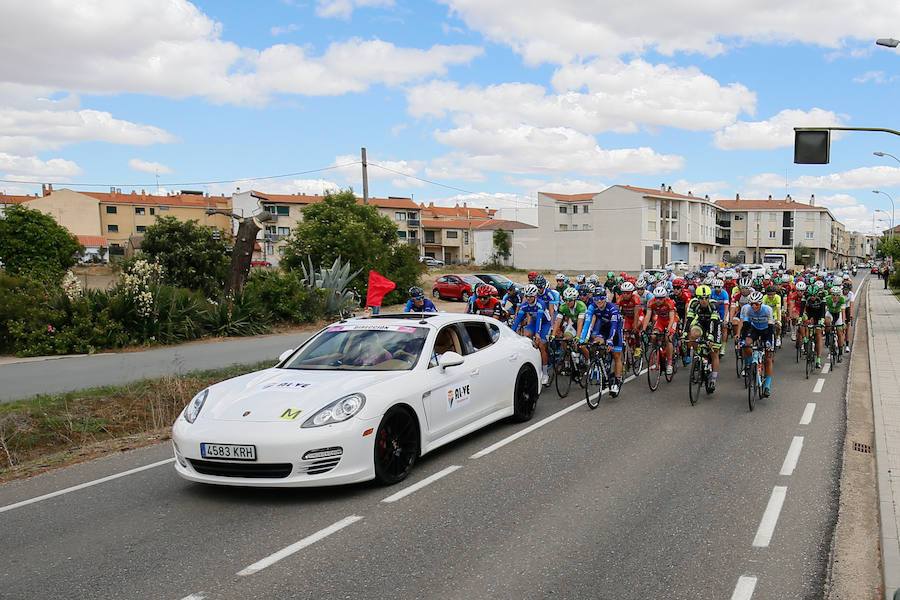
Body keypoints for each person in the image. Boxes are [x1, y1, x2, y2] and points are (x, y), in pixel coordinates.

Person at [579, 290, 625, 397]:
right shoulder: (592, 307)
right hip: (603, 327)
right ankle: (601, 364)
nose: (598, 301)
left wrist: (610, 341)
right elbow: (587, 323)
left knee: (616, 355)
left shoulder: (613, 308)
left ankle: (617, 381)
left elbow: (614, 326)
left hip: (615, 329)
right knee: (595, 342)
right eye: (596, 299)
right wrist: (582, 339)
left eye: (601, 299)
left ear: (605, 298)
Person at [511, 284, 551, 385]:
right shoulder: (524, 305)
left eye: (531, 296)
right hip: (534, 323)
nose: (528, 298)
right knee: (526, 335)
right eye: (527, 296)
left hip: (545, 323)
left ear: (535, 296)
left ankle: (545, 373)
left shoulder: (540, 304)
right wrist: (511, 332)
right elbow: (517, 321)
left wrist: (537, 334)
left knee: (541, 344)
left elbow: (540, 320)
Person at [686, 285, 721, 392]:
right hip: (701, 323)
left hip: (714, 326)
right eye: (701, 298)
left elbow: (713, 323)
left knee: (714, 352)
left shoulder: (713, 305)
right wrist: (684, 334)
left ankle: (713, 380)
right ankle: (698, 355)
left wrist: (710, 338)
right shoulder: (694, 304)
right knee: (693, 335)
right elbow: (689, 320)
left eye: (706, 298)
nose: (704, 301)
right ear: (698, 298)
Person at [740, 291, 775, 397]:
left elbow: (771, 328)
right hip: (754, 329)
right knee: (746, 344)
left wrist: (768, 341)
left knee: (768, 358)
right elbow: (746, 326)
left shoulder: (767, 309)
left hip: (766, 330)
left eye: (756, 304)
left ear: (761, 303)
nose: (754, 306)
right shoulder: (747, 309)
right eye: (752, 304)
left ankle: (767, 386)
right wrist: (742, 339)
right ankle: (751, 366)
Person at [642, 285, 677, 376]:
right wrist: (643, 329)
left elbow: (672, 318)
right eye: (657, 298)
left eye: (661, 299)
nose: (658, 300)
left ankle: (669, 363)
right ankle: (656, 355)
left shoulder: (669, 302)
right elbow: (647, 316)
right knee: (653, 336)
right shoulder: (651, 302)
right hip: (660, 321)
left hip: (671, 321)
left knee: (668, 337)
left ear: (664, 298)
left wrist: (668, 330)